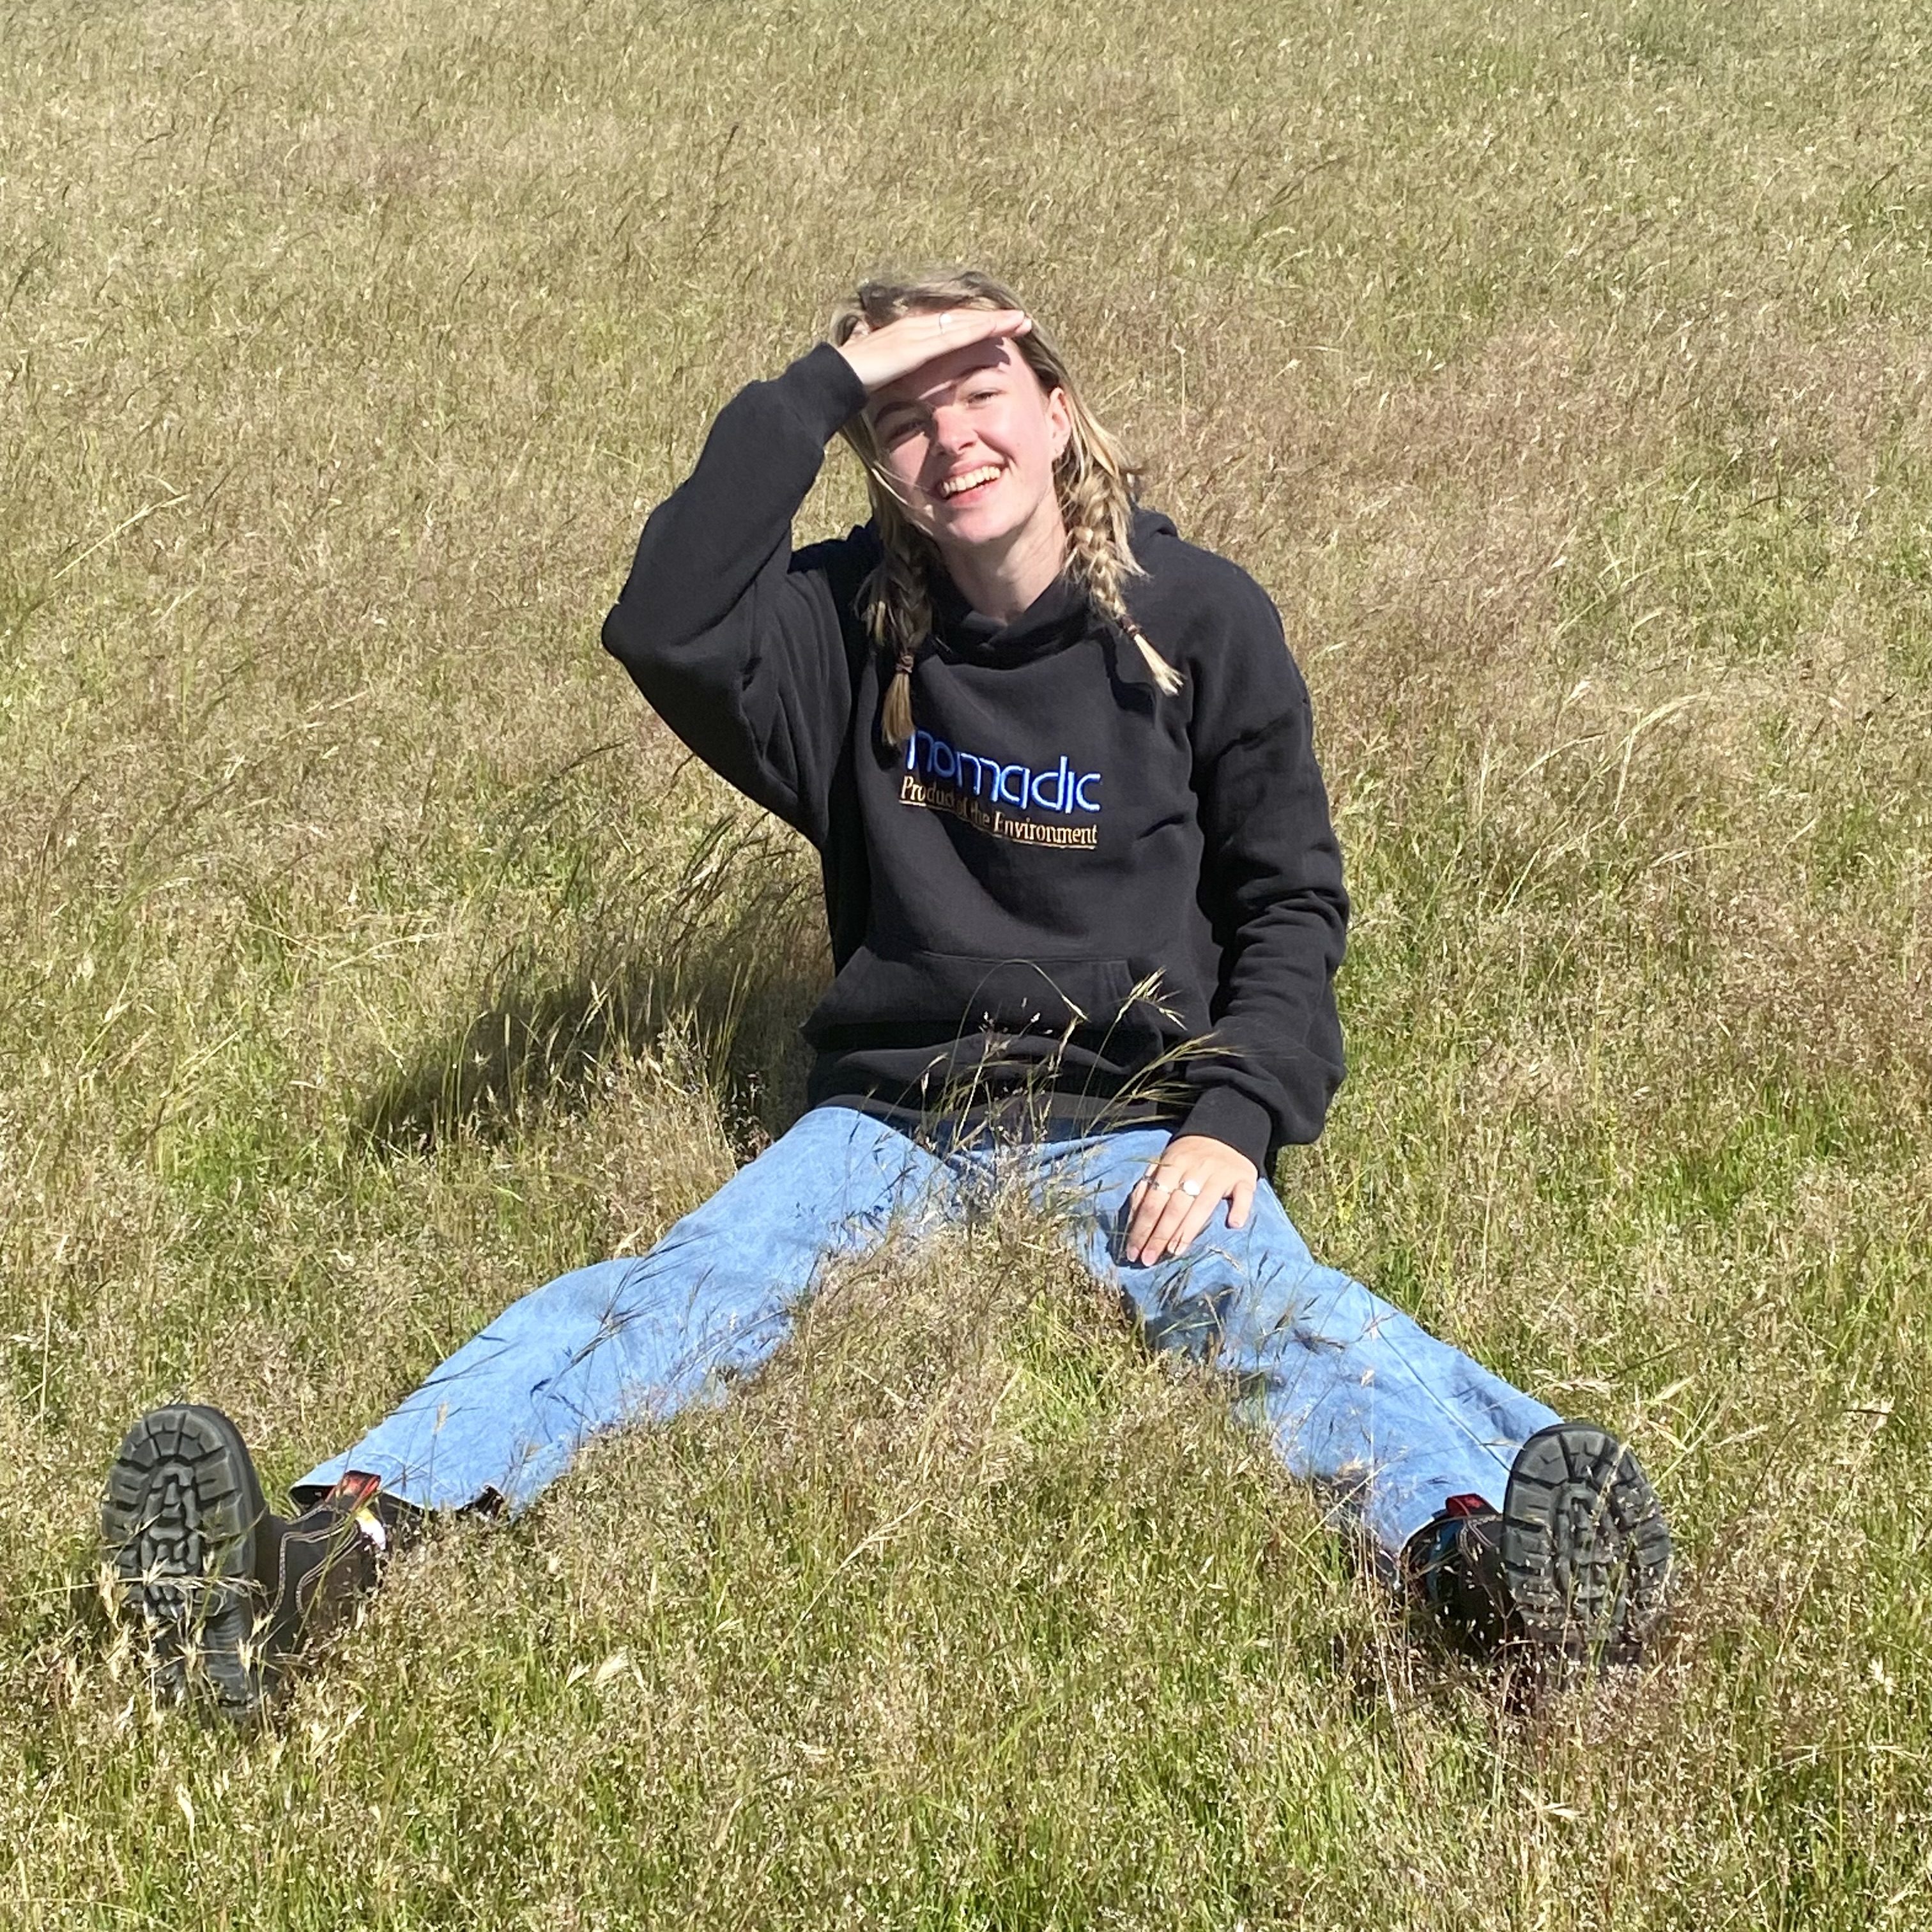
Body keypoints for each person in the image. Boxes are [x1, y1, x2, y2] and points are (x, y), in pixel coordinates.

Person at [100, 270, 1671, 1721]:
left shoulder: (1199, 621)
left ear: (1055, 409)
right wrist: (821, 383)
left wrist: (1237, 1117)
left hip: (1131, 1121)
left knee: (1277, 1318)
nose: (951, 439)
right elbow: (662, 619)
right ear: (872, 460)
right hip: (889, 1124)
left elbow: (1291, 902)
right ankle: (324, 1551)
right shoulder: (846, 627)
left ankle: (1492, 1561)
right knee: (673, 1301)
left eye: (980, 390)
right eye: (903, 419)